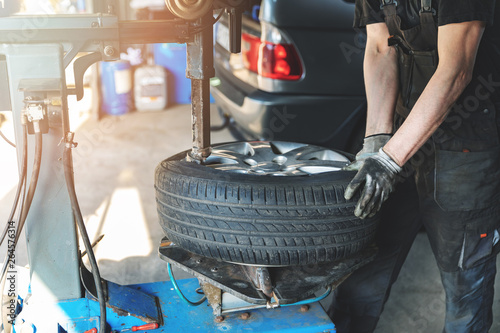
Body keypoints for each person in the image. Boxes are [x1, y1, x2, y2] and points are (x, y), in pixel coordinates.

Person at [329, 0, 500, 332]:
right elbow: (380, 47)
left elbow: (456, 69)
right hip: (402, 135)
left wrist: (390, 159)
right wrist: (377, 143)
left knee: (465, 298)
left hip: (466, 149)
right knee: (360, 279)